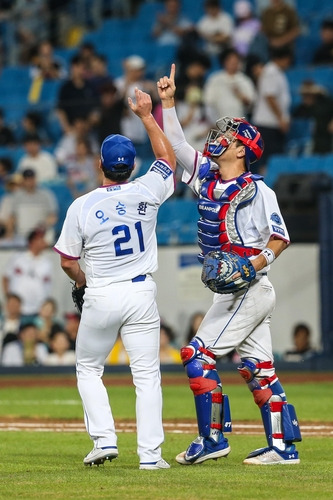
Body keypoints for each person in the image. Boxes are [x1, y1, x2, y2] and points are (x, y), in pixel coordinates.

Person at [157, 63, 302, 466]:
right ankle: (281, 447)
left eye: (229, 135)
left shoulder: (258, 190)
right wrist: (168, 103)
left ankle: (214, 438)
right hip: (239, 290)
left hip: (249, 287)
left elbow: (280, 238)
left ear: (242, 149)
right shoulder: (206, 176)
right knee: (259, 368)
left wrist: (253, 265)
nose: (220, 137)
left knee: (196, 355)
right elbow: (178, 144)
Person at [53, 87, 176, 469]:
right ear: (131, 166)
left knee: (89, 368)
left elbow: (68, 262)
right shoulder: (147, 190)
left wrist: (81, 281)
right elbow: (167, 158)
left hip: (102, 292)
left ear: (99, 164)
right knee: (147, 376)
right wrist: (146, 115)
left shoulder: (82, 206)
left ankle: (105, 440)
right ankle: (151, 457)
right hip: (141, 292)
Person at [251, 46, 293, 174]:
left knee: (273, 158)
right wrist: (281, 119)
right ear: (284, 59)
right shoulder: (271, 72)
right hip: (268, 124)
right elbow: (270, 96)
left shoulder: (276, 72)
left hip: (272, 125)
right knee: (268, 160)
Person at [2, 228, 53, 321]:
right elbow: (5, 278)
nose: (43, 241)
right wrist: (9, 298)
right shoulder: (18, 258)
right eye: (39, 238)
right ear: (31, 241)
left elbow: (47, 286)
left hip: (37, 310)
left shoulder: (47, 263)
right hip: (18, 310)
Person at [0, 168, 58, 246]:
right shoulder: (17, 196)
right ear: (23, 181)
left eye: (32, 179)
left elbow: (52, 216)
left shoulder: (46, 195)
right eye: (27, 179)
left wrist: (43, 227)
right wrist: (9, 233)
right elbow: (12, 217)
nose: (30, 182)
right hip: (21, 235)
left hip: (41, 235)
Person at [203, 48, 256, 126]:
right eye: (230, 61)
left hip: (240, 124)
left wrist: (239, 94)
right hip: (220, 123)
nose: (233, 64)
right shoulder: (215, 79)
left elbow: (251, 103)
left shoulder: (244, 80)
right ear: (225, 62)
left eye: (236, 61)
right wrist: (212, 122)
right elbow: (208, 102)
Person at [292, 80, 333, 155]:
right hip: (315, 138)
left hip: (328, 136)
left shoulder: (325, 101)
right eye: (305, 95)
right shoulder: (303, 108)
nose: (306, 97)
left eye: (309, 94)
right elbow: (294, 116)